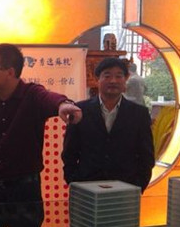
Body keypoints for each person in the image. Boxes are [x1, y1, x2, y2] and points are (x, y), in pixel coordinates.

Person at [0, 43, 82, 227]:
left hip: (24, 189)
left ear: (10, 72)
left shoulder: (32, 95)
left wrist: (64, 105)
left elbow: (50, 99)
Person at [62, 57, 155, 192]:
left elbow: (146, 154)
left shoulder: (139, 113)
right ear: (97, 79)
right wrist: (73, 180)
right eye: (107, 76)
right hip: (86, 186)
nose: (113, 81)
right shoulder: (79, 110)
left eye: (119, 76)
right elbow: (69, 152)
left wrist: (139, 185)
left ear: (125, 79)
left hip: (126, 187)